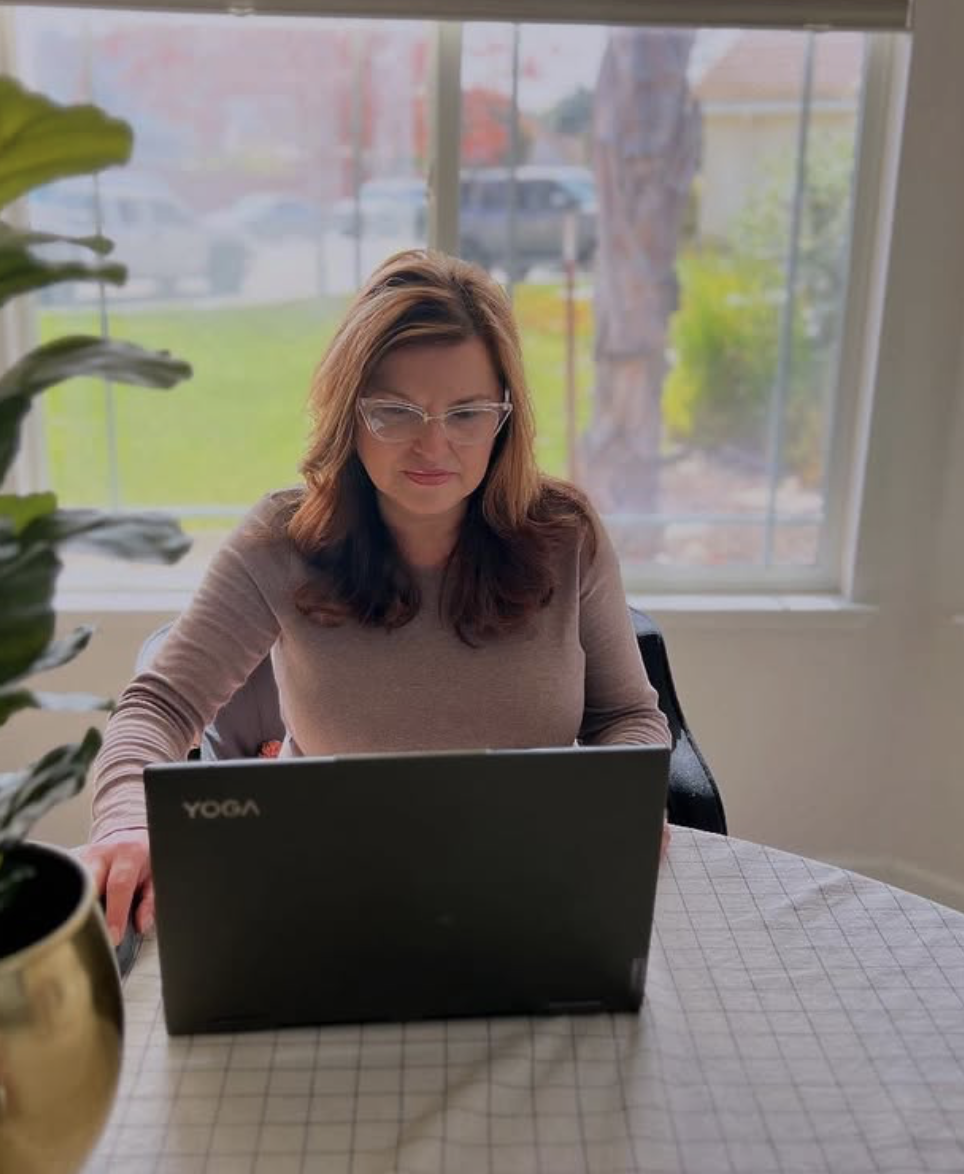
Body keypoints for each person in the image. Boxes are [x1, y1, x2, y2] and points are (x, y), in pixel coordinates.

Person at [82, 249, 671, 944]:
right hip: (319, 891)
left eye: (467, 413)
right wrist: (126, 820)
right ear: (349, 413)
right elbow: (160, 705)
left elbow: (627, 715)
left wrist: (619, 799)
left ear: (505, 417)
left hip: (527, 889)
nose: (434, 445)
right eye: (394, 411)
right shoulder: (283, 540)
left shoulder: (565, 536)